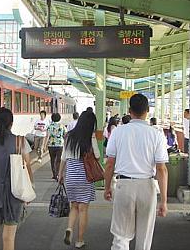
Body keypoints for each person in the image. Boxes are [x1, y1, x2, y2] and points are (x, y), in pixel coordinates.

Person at [104, 94, 169, 250]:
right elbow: (162, 169)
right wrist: (164, 201)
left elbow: (109, 164)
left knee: (121, 237)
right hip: (147, 186)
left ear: (129, 110)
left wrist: (107, 187)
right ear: (147, 110)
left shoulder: (119, 132)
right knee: (144, 238)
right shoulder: (156, 134)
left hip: (124, 185)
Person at [0, 107, 33, 250]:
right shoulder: (20, 142)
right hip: (14, 193)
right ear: (12, 122)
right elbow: (27, 168)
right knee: (8, 237)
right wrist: (28, 190)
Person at [58, 111, 100, 249]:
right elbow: (98, 156)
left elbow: (64, 157)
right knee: (83, 209)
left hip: (71, 176)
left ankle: (69, 228)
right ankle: (80, 240)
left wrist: (60, 174)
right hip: (85, 176)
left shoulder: (69, 136)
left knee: (74, 206)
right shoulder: (90, 136)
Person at [47, 113, 67, 180]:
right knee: (58, 160)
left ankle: (54, 174)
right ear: (59, 118)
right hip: (60, 145)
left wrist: (44, 145)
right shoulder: (62, 126)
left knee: (52, 159)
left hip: (51, 145)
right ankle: (58, 173)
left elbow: (48, 136)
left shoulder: (50, 126)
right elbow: (65, 135)